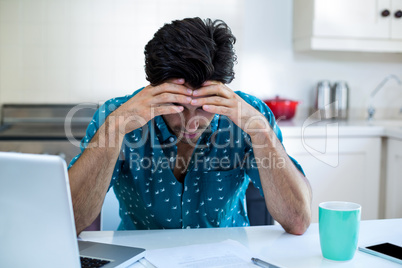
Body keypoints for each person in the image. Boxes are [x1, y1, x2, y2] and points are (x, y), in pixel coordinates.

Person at [68, 17, 312, 235]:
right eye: (177, 105)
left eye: (205, 106)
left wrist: (261, 132)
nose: (191, 122)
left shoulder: (249, 116)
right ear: (154, 88)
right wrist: (115, 128)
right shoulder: (116, 115)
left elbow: (298, 221)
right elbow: (70, 221)